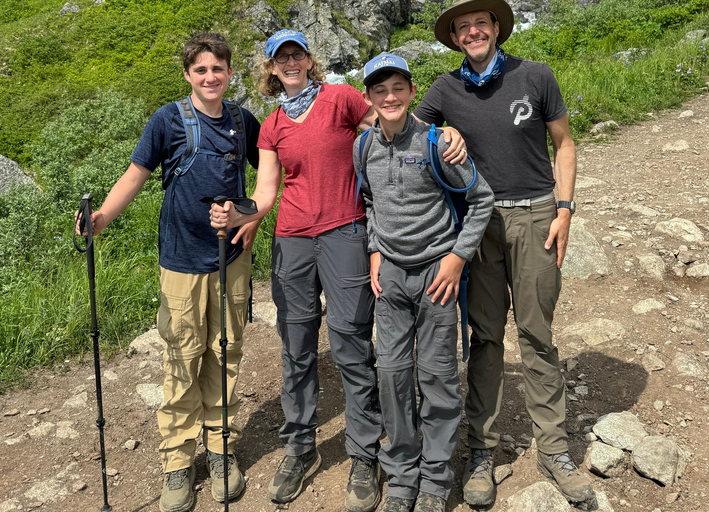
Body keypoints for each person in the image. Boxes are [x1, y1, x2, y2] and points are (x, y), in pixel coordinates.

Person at [208, 29, 467, 512]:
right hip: (292, 238)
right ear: (269, 67)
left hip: (346, 230)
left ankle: (364, 452)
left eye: (296, 54)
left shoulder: (342, 98)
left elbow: (394, 119)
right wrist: (244, 215)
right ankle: (300, 447)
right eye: (279, 57)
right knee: (297, 344)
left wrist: (444, 131)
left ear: (309, 59)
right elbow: (267, 191)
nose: (289, 62)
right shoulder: (271, 125)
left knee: (350, 341)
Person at [412, 0, 597, 508]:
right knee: (486, 337)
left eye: (480, 23)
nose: (472, 32)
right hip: (479, 223)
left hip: (538, 216)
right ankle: (480, 453)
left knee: (537, 334)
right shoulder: (445, 89)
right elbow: (392, 125)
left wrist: (565, 211)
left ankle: (554, 450)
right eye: (462, 27)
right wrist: (437, 131)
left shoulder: (535, 75)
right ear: (454, 37)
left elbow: (564, 144)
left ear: (496, 28)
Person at [76, 33, 260, 512]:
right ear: (187, 75)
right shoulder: (167, 120)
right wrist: (102, 219)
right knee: (182, 357)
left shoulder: (245, 121)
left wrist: (252, 221)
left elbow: (272, 176)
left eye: (218, 68)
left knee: (227, 353)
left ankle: (221, 450)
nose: (210, 77)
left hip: (231, 261)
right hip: (180, 260)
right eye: (200, 70)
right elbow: (136, 174)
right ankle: (177, 461)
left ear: (230, 72)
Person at [355, 53, 494, 512]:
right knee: (392, 375)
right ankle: (400, 477)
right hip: (391, 277)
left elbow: (481, 199)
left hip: (438, 273)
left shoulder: (436, 143)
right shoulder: (364, 148)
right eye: (380, 90)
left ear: (413, 92)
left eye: (398, 87)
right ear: (369, 98)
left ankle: (435, 479)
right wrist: (375, 249)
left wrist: (457, 258)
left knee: (436, 377)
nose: (390, 97)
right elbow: (371, 201)